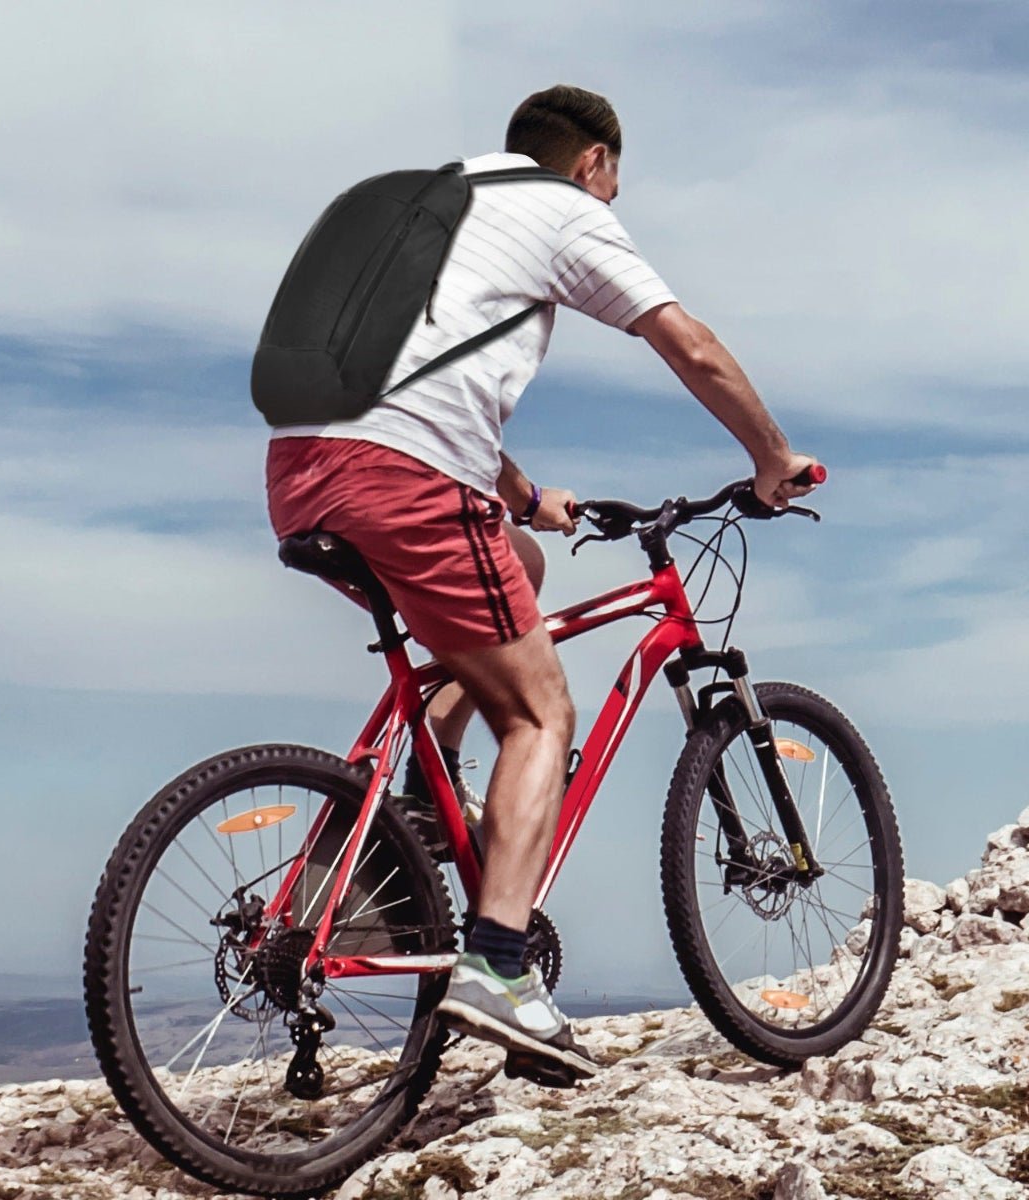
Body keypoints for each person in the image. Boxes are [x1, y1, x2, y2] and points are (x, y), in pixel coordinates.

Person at [266, 84, 820, 1083]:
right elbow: (686, 342)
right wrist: (771, 454)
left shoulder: (433, 201)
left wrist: (522, 495)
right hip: (409, 477)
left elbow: (415, 379)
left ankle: (426, 797)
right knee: (539, 713)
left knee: (512, 569)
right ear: (594, 163)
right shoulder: (564, 210)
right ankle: (498, 969)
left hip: (306, 470)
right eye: (615, 182)